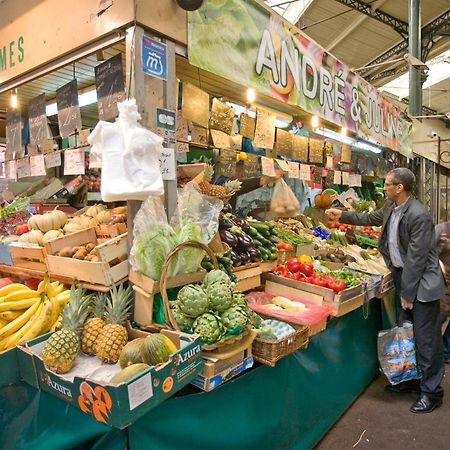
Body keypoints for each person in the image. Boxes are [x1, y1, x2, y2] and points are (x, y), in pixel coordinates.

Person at [325, 167, 445, 414]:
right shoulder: (392, 206)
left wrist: (407, 294)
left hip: (421, 284)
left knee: (426, 340)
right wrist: (342, 215)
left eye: (388, 184)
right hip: (404, 279)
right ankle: (412, 380)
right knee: (406, 334)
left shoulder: (418, 215)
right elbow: (371, 219)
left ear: (399, 187)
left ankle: (432, 392)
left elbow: (417, 259)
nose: (384, 187)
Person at [435, 222, 450, 363]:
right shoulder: (441, 230)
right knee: (439, 318)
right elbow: (427, 254)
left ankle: (445, 351)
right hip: (443, 284)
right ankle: (433, 355)